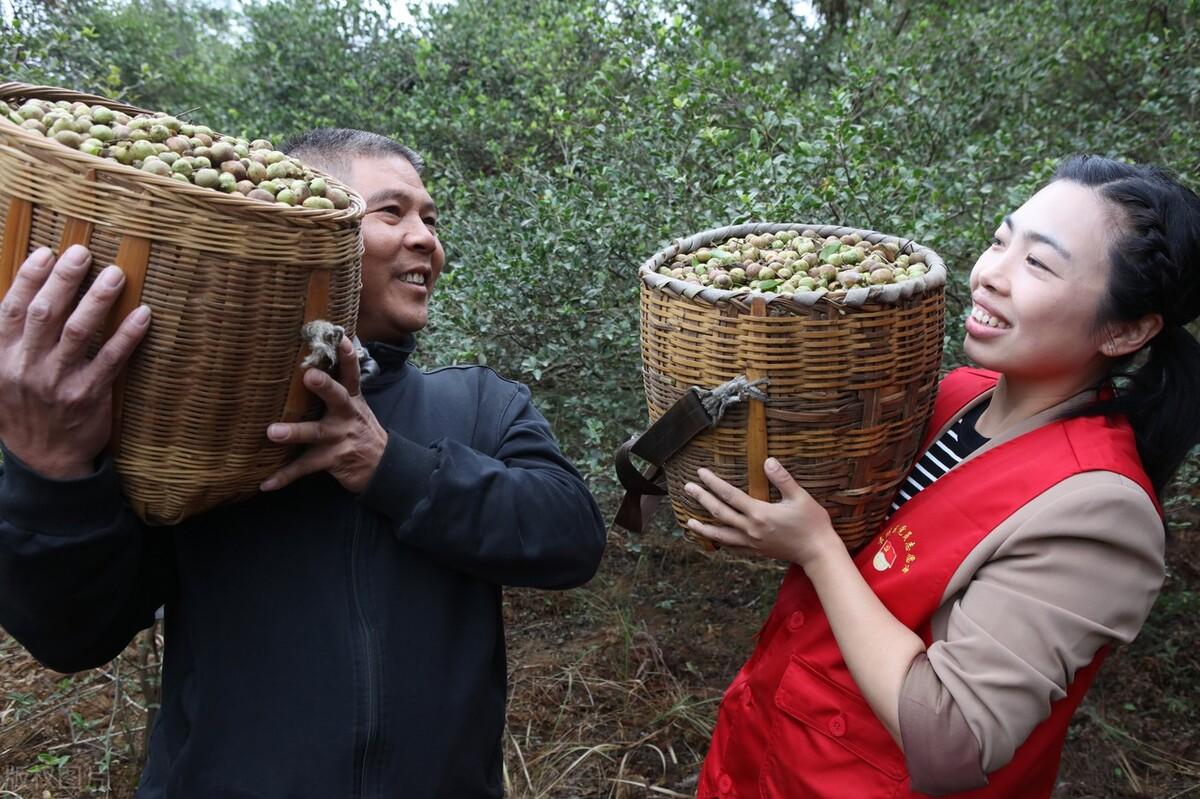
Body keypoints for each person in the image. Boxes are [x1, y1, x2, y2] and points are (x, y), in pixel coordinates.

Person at [0, 128, 607, 798]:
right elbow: (72, 633)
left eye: (431, 220)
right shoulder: (207, 419)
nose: (425, 238)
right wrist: (49, 471)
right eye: (392, 212)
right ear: (315, 228)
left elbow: (571, 537)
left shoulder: (479, 404)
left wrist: (390, 467)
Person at [686, 155, 1200, 797]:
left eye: (1038, 263)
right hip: (760, 758)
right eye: (1000, 241)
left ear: (1126, 330)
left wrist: (815, 549)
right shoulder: (956, 395)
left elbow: (952, 744)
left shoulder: (1099, 509)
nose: (990, 276)